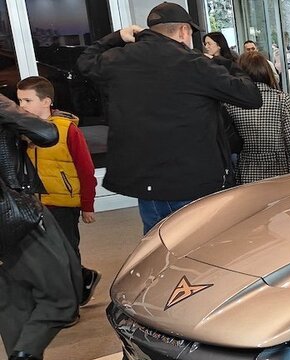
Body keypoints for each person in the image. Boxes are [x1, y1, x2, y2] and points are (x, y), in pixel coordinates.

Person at [77, 3, 262, 234]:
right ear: (183, 31)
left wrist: (117, 37)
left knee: (156, 243)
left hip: (147, 183)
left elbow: (85, 61)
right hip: (193, 179)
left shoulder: (121, 59)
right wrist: (221, 62)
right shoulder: (195, 64)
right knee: (198, 244)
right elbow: (250, 96)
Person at [0, 94, 79, 360]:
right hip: (14, 213)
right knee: (63, 294)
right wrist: (13, 113)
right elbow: (46, 133)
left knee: (13, 299)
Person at [15, 76, 102, 308]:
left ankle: (71, 301)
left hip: (62, 204)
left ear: (46, 102)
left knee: (65, 252)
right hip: (33, 204)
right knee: (43, 252)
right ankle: (80, 281)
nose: (22, 106)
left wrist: (87, 205)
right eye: (19, 101)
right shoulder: (21, 132)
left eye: (27, 100)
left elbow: (85, 169)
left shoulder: (66, 130)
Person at [226, 52, 290, 184]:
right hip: (280, 168)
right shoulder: (281, 99)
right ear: (266, 71)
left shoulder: (232, 102)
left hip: (248, 168)